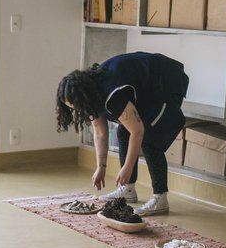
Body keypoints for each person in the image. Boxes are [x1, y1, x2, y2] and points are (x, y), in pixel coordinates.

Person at [55, 51, 189, 216]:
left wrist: (127, 167)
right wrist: (101, 167)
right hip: (145, 86)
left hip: (166, 81)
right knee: (123, 132)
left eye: (76, 106)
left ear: (83, 97)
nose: (76, 110)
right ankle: (127, 189)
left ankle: (160, 197)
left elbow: (137, 131)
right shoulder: (91, 95)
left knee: (149, 140)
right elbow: (100, 132)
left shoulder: (113, 95)